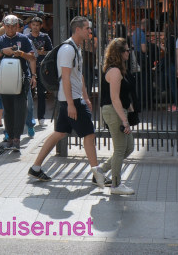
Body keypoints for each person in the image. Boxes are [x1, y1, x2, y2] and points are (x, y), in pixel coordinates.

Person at [29, 16, 107, 188]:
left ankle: (35, 167)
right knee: (89, 135)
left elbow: (79, 76)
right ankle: (97, 174)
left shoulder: (76, 48)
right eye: (87, 28)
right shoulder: (67, 49)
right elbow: (65, 78)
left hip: (73, 99)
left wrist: (86, 96)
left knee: (60, 133)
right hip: (71, 100)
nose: (90, 31)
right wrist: (72, 103)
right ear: (77, 29)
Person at [0, 15, 35, 152]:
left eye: (13, 26)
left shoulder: (24, 39)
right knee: (8, 110)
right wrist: (3, 51)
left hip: (22, 78)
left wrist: (21, 54)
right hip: (5, 79)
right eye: (7, 26)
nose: (10, 29)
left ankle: (17, 138)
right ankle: (9, 137)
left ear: (17, 26)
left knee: (20, 109)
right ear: (4, 26)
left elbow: (32, 57)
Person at [100, 38, 136, 195]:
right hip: (114, 112)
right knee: (121, 149)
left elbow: (120, 95)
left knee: (129, 147)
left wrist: (129, 107)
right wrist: (124, 120)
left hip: (118, 110)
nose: (129, 52)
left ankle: (100, 171)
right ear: (120, 53)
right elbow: (114, 98)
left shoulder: (118, 69)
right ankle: (116, 184)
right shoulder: (114, 71)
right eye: (127, 50)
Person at [28, 16, 52, 125]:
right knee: (28, 93)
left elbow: (51, 53)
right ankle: (28, 116)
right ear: (30, 26)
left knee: (41, 93)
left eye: (37, 25)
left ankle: (41, 117)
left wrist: (44, 53)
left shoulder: (45, 37)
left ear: (41, 26)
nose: (35, 27)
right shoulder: (26, 38)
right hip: (28, 69)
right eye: (33, 25)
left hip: (42, 68)